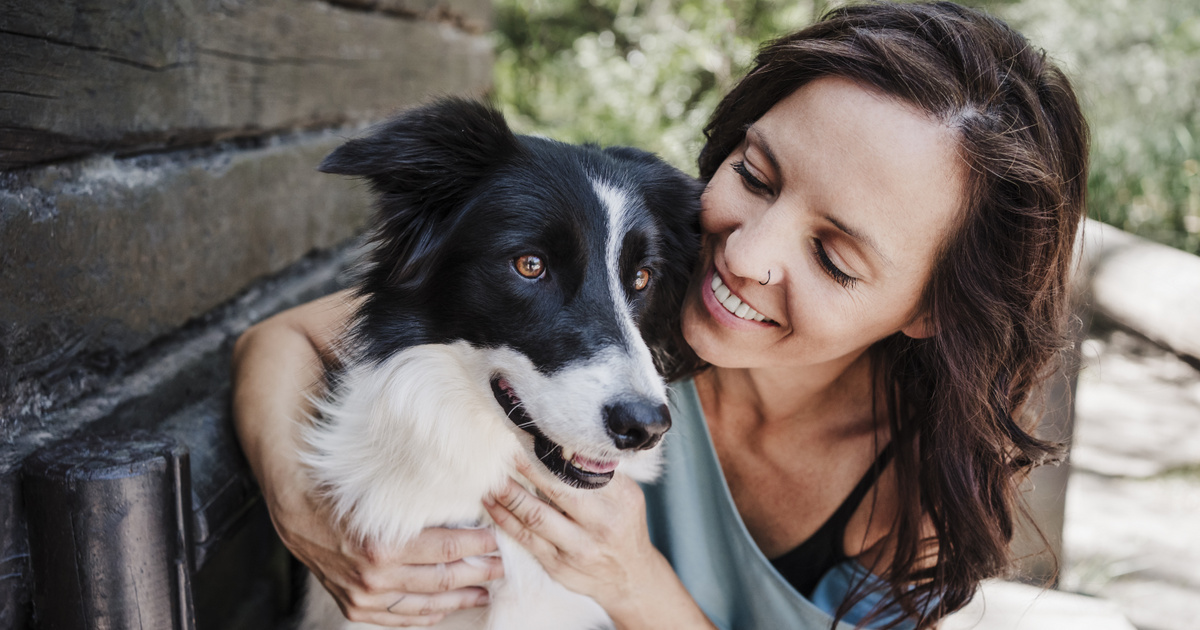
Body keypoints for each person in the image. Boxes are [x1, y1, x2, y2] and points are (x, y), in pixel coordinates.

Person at [231, 2, 1089, 628]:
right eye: (755, 175)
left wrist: (634, 584)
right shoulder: (646, 288)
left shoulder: (914, 487)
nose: (745, 256)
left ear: (930, 310)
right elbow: (283, 338)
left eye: (832, 256)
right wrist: (307, 517)